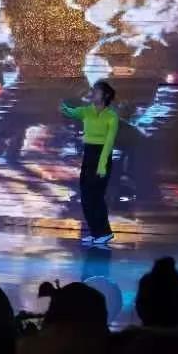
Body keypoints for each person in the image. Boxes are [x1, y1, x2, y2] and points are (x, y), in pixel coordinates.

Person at [61, 80, 119, 244]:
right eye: (93, 90)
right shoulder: (86, 111)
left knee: (97, 196)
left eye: (97, 91)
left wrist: (102, 165)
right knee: (86, 196)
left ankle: (104, 232)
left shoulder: (111, 116)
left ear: (105, 95)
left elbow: (109, 142)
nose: (93, 93)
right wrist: (64, 104)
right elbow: (70, 112)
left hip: (102, 155)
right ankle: (95, 232)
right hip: (89, 155)